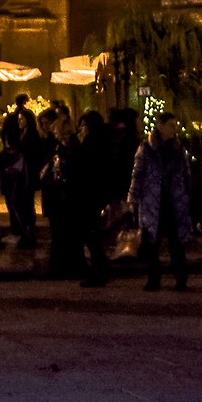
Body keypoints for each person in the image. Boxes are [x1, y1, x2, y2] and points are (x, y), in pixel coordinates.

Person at [127, 113, 195, 291]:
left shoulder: (178, 148)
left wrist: (186, 193)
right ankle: (153, 279)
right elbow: (138, 174)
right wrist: (132, 199)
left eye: (175, 125)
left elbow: (186, 173)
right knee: (151, 243)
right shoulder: (146, 148)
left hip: (173, 201)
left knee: (176, 243)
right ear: (160, 126)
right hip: (153, 202)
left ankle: (181, 279)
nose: (174, 129)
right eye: (171, 125)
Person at [72, 110, 118, 286]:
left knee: (92, 236)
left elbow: (87, 169)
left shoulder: (93, 144)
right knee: (93, 236)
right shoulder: (101, 142)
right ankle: (100, 270)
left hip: (90, 195)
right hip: (94, 195)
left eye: (83, 125)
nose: (81, 129)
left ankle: (99, 271)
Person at [38, 112, 79, 277]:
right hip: (57, 195)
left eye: (56, 133)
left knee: (62, 233)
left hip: (64, 196)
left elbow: (70, 171)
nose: (54, 135)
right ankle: (59, 265)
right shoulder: (60, 148)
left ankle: (62, 266)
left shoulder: (70, 149)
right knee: (58, 233)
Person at [0, 96, 34, 245]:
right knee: (20, 202)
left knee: (18, 201)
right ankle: (24, 230)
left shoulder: (14, 122)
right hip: (18, 170)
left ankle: (22, 230)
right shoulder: (21, 123)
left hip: (19, 171)